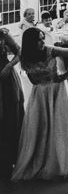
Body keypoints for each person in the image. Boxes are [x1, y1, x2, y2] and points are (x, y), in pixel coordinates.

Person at [12, 28, 68, 180]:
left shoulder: (50, 50)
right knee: (41, 126)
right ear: (30, 42)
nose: (42, 42)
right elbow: (31, 76)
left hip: (56, 90)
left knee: (59, 125)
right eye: (39, 39)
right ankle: (41, 159)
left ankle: (61, 161)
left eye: (42, 38)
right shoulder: (25, 56)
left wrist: (67, 73)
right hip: (39, 94)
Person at [0, 27, 24, 179]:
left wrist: (9, 66)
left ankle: (9, 159)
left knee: (8, 116)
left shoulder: (2, 34)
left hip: (4, 78)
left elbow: (19, 52)